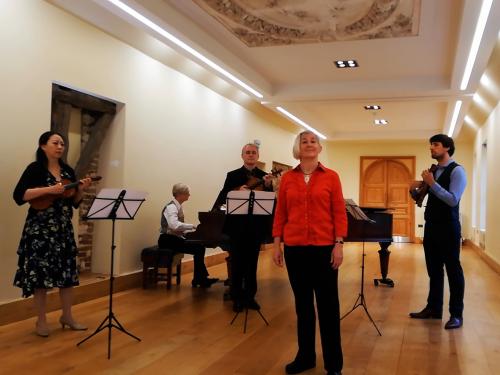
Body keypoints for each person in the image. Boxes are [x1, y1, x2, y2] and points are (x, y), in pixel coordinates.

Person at [272, 130, 346, 375]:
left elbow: (339, 212)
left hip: (325, 249)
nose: (309, 144)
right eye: (304, 141)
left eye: (313, 141)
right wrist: (276, 244)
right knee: (302, 306)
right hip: (295, 249)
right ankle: (305, 357)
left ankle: (333, 364)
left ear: (319, 148)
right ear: (298, 148)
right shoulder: (287, 179)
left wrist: (339, 244)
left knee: (328, 307)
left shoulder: (331, 177)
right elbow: (280, 213)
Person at [13, 131, 92, 337]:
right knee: (40, 277)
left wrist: (81, 189)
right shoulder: (35, 169)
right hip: (40, 231)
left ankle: (67, 315)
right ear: (43, 146)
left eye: (62, 144)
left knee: (66, 275)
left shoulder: (68, 171)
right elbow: (20, 195)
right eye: (55, 143)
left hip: (63, 230)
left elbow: (74, 203)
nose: (60, 147)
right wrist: (49, 189)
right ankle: (41, 321)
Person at [409, 134, 467, 330]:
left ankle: (456, 314)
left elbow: (452, 199)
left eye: (436, 145)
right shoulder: (433, 171)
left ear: (447, 148)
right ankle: (434, 308)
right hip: (431, 226)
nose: (431, 148)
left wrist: (432, 183)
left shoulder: (457, 171)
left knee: (453, 271)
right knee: (434, 270)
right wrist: (414, 189)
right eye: (431, 145)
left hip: (449, 228)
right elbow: (420, 198)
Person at [213, 143, 273, 312]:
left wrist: (268, 186)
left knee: (252, 263)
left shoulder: (264, 176)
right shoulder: (233, 175)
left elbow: (270, 201)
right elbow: (223, 197)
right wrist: (237, 189)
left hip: (255, 227)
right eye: (248, 152)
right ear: (242, 156)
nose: (251, 155)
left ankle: (250, 297)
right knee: (238, 263)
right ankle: (237, 297)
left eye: (254, 153)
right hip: (237, 227)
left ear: (258, 156)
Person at [158, 183, 218, 288]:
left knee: (199, 247)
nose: (189, 195)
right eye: (187, 193)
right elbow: (174, 225)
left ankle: (199, 279)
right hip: (167, 240)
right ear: (180, 194)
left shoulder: (178, 206)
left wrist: (193, 233)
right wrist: (192, 227)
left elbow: (179, 227)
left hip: (172, 238)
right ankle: (199, 279)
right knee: (198, 249)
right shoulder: (171, 207)